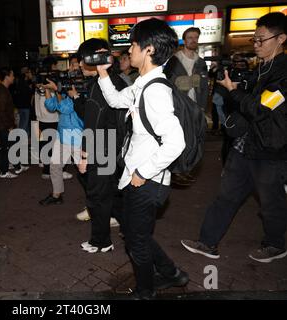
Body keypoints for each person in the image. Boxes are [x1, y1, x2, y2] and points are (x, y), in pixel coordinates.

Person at [181, 12, 287, 264]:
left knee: (271, 203)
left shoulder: (283, 73)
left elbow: (262, 108)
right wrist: (236, 89)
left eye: (262, 39)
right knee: (226, 195)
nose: (257, 45)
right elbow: (252, 102)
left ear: (281, 38)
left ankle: (275, 244)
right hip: (244, 145)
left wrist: (234, 94)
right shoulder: (262, 68)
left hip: (269, 149)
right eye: (255, 40)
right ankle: (207, 242)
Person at [97, 19, 189, 299]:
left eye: (133, 45)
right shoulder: (142, 84)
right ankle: (173, 273)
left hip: (147, 181)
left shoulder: (156, 91)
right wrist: (103, 73)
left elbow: (176, 142)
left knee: (136, 240)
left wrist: (143, 172)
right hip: (136, 177)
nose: (130, 51)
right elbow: (115, 100)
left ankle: (145, 291)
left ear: (148, 50)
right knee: (136, 233)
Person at [72, 38, 128, 255]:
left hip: (101, 149)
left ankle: (101, 241)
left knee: (97, 198)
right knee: (112, 195)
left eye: (83, 60)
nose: (80, 65)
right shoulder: (118, 81)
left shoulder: (99, 86)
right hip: (116, 147)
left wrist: (85, 156)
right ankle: (128, 230)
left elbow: (93, 125)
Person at [164, 27, 209, 187]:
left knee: (195, 138)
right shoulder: (174, 60)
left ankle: (186, 168)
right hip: (179, 107)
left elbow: (204, 88)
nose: (193, 40)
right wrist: (182, 83)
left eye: (196, 37)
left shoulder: (201, 62)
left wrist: (202, 108)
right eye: (190, 37)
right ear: (184, 39)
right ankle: (178, 171)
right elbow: (166, 83)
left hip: (195, 108)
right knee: (180, 139)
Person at [39, 55, 84, 206]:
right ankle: (56, 194)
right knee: (55, 166)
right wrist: (47, 90)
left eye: (75, 65)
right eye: (70, 65)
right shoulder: (65, 86)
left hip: (77, 135)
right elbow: (51, 106)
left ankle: (96, 200)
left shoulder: (82, 87)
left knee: (84, 170)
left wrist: (57, 90)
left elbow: (65, 108)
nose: (71, 68)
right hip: (63, 134)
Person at [0, 67, 29, 179]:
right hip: (3, 125)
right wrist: (9, 127)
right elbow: (2, 111)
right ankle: (4, 171)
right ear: (7, 77)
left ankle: (16, 166)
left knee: (10, 145)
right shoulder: (2, 91)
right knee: (6, 147)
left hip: (1, 124)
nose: (13, 77)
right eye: (12, 75)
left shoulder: (1, 89)